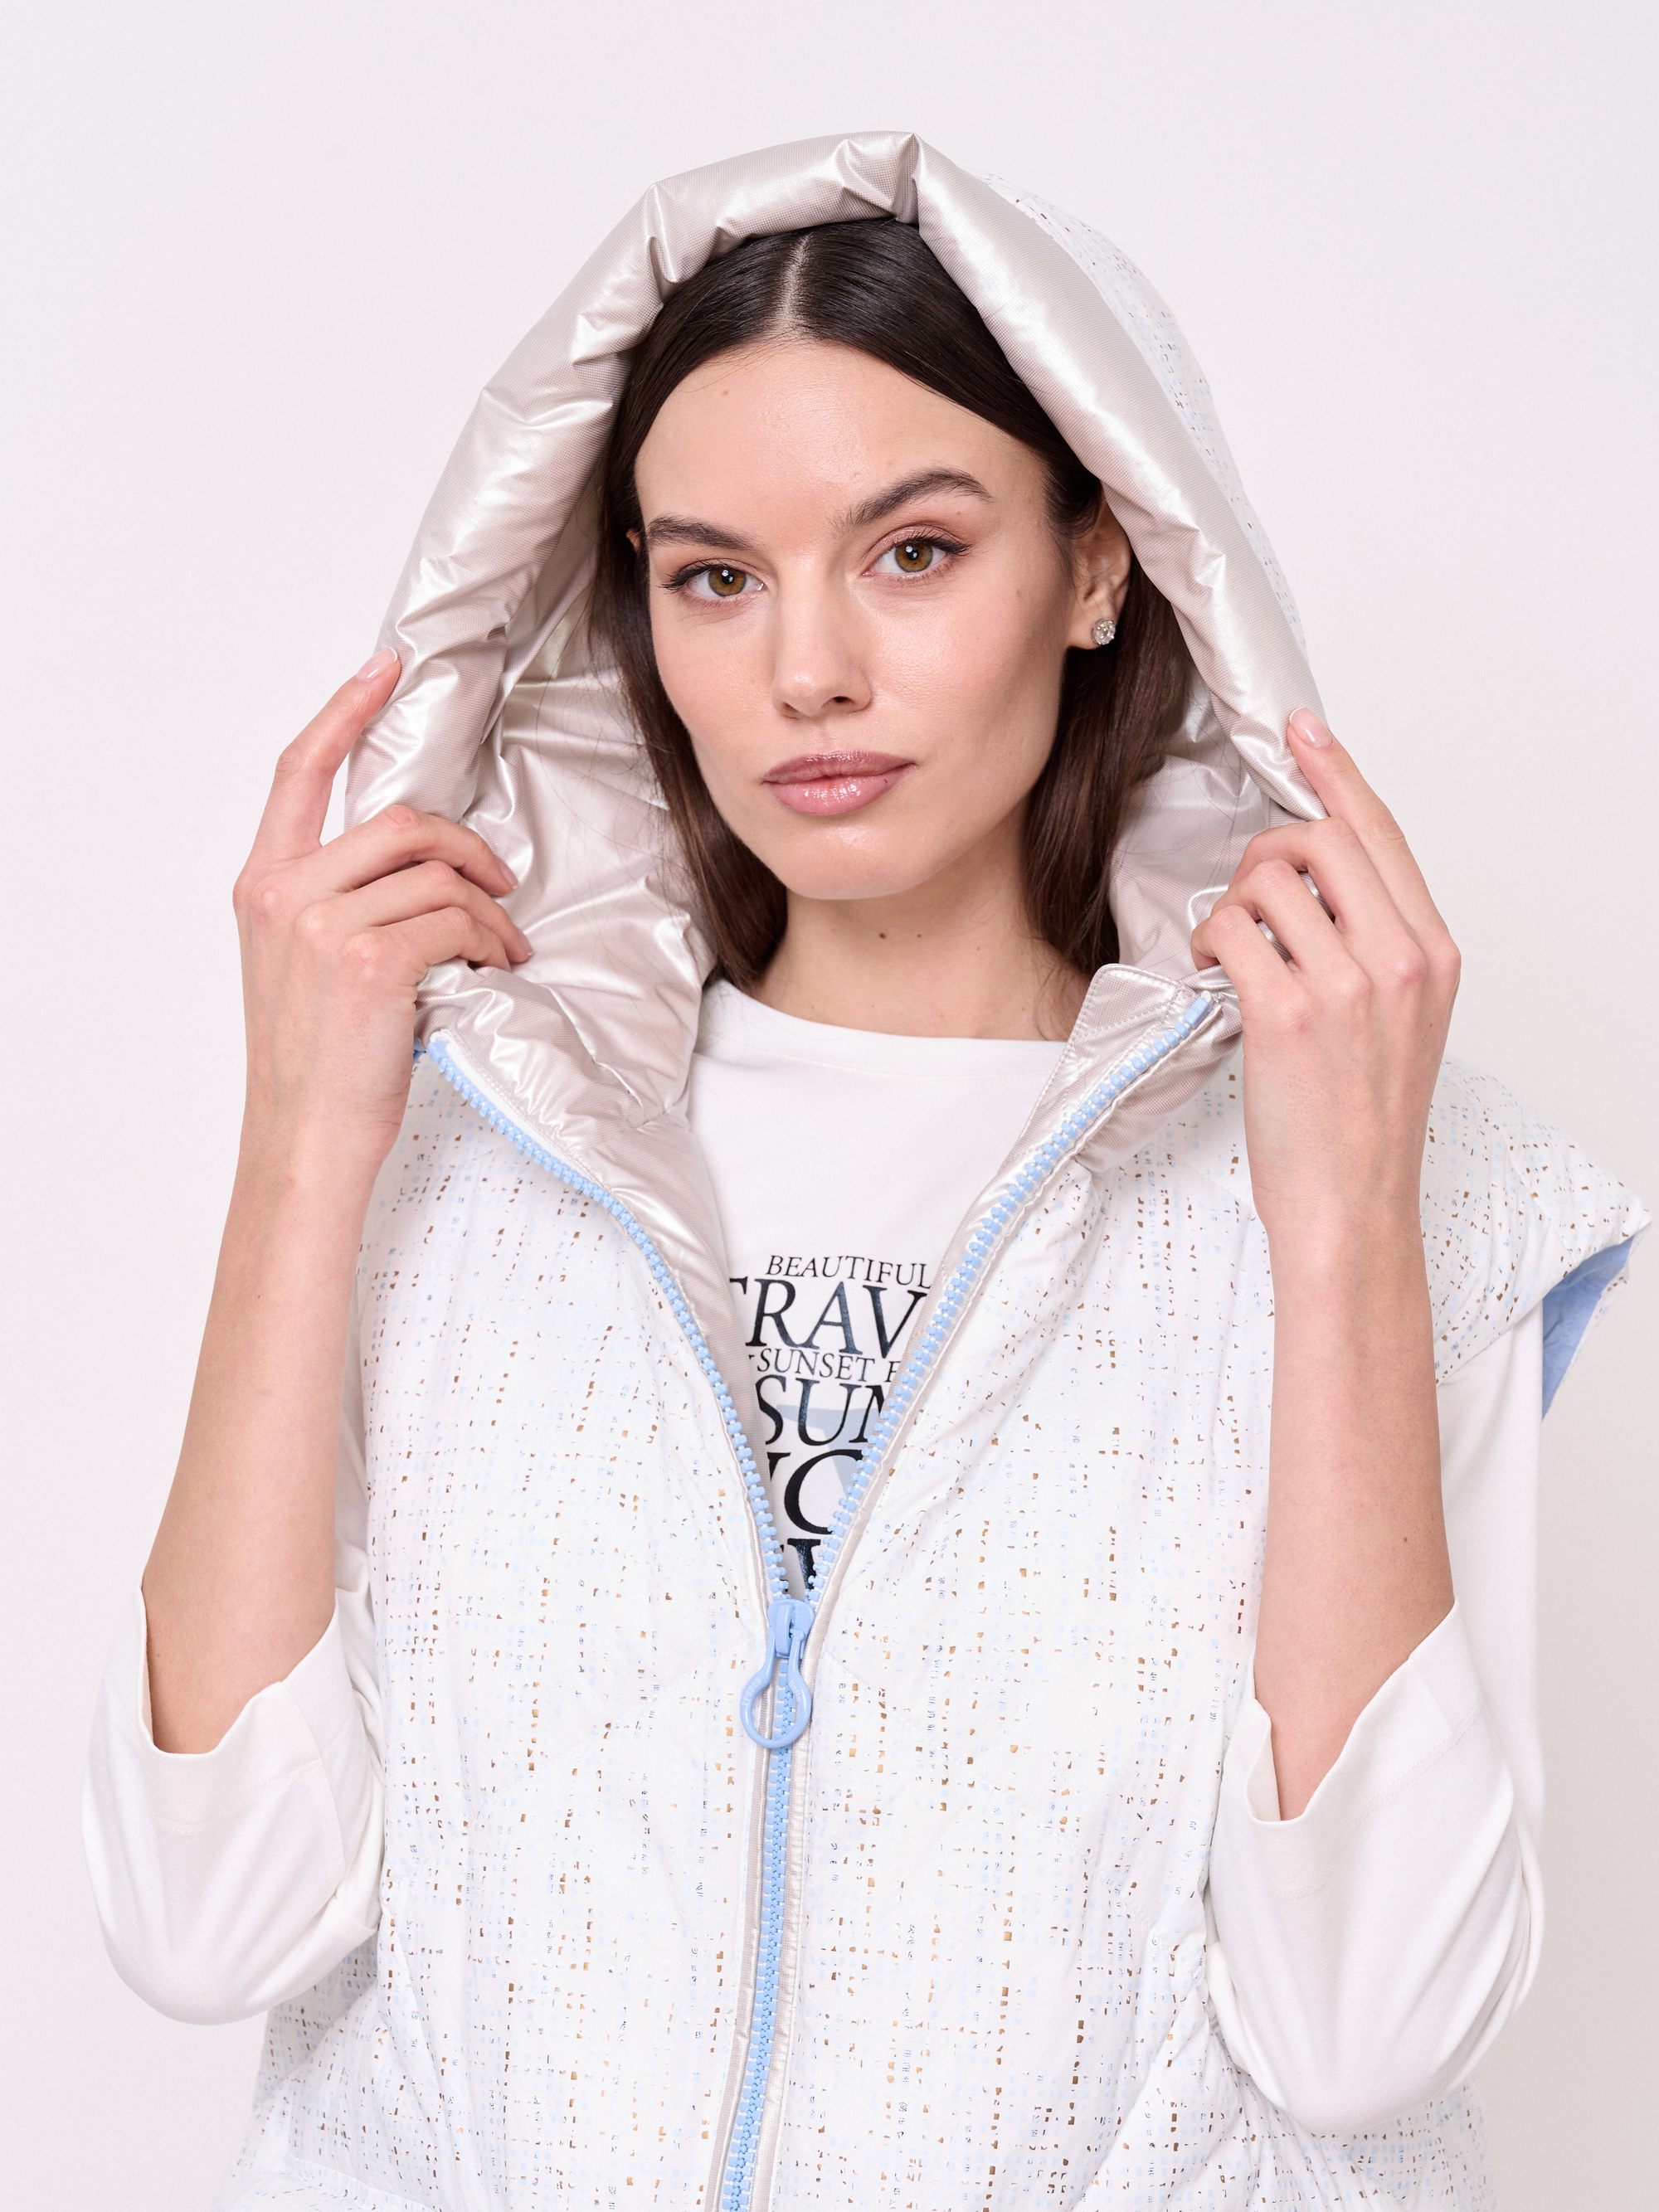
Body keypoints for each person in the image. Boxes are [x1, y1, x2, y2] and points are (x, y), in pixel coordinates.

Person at [84, 134, 1644, 2211]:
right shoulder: (459, 1151)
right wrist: (300, 1142)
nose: (804, 668)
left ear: (1099, 566)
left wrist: (1342, 1219)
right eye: (712, 575)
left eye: (911, 550)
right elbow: (208, 1925)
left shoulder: (1390, 1169)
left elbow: (1362, 2030)